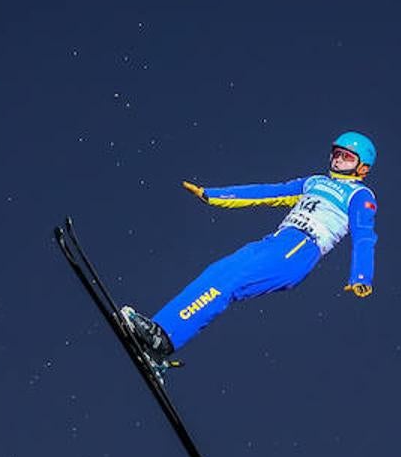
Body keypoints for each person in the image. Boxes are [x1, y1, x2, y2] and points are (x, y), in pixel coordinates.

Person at [120, 130, 379, 362]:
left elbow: (364, 234)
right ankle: (160, 332)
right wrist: (212, 194)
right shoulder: (314, 182)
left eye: (347, 157)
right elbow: (267, 192)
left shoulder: (360, 195)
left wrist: (361, 275)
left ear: (363, 168)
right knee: (217, 273)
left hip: (301, 247)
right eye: (336, 154)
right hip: (277, 241)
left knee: (231, 280)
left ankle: (163, 341)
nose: (338, 161)